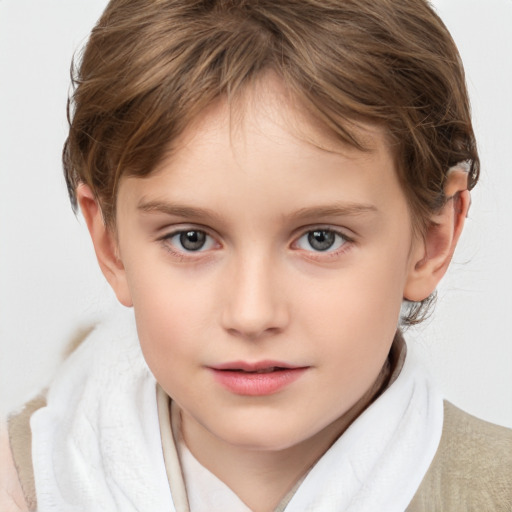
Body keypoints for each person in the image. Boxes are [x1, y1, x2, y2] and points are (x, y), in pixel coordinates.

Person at [1, 0, 511, 510]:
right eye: (191, 239)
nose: (252, 313)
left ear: (432, 238)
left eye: (321, 239)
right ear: (110, 242)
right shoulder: (25, 483)